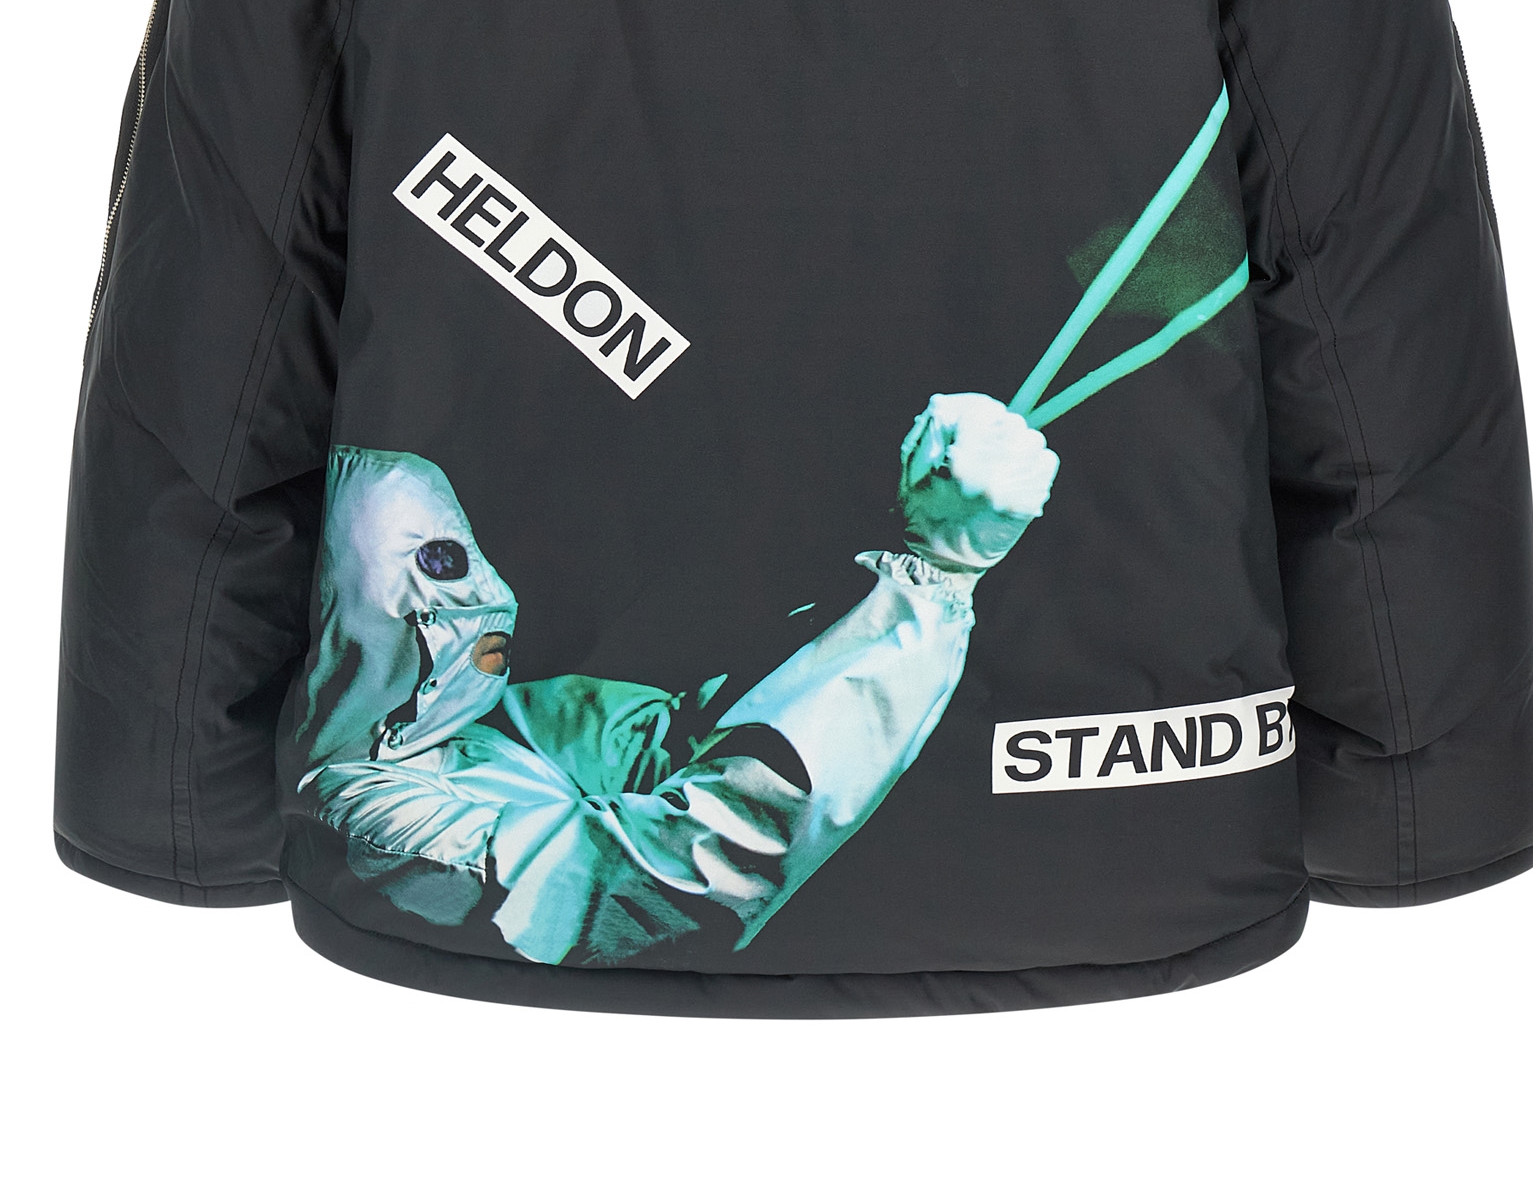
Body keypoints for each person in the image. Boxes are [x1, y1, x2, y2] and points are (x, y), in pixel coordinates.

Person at [292, 393, 1059, 967]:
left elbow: (681, 742)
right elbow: (651, 881)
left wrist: (922, 581)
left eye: (460, 552)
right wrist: (937, 582)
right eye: (435, 564)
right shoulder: (364, 818)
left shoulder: (479, 725)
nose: (484, 594)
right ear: (345, 607)